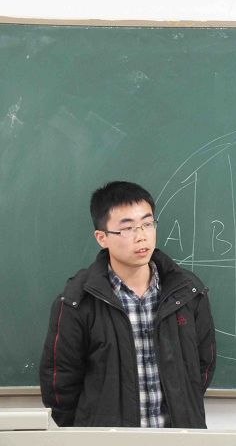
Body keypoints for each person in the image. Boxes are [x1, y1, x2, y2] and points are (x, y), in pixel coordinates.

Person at [39, 181, 216, 428]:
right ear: (102, 238)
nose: (141, 236)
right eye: (127, 228)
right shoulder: (77, 302)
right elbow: (60, 387)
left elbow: (203, 367)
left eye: (147, 224)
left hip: (179, 437)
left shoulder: (188, 292)